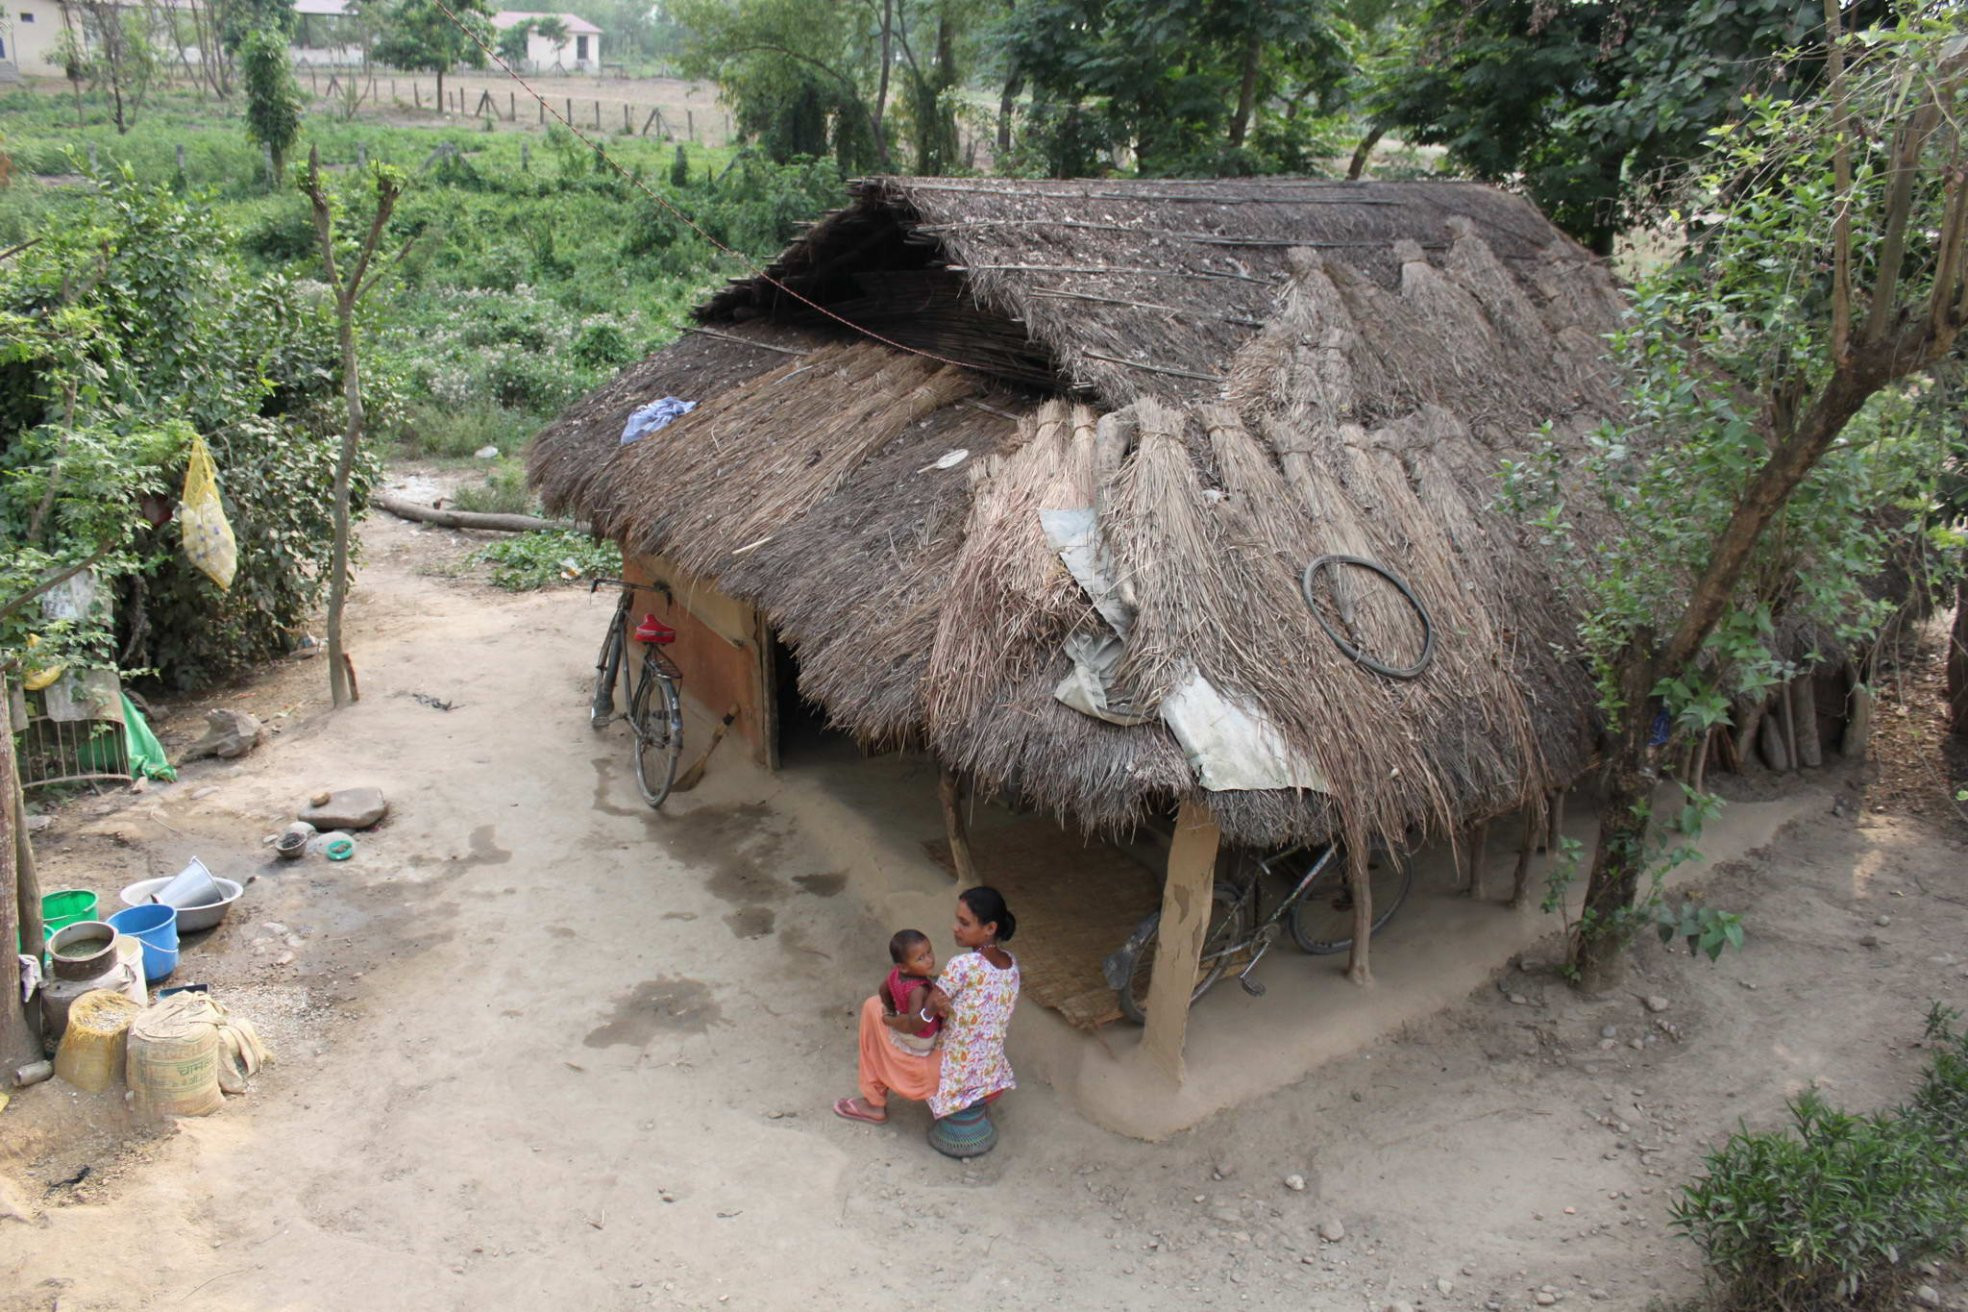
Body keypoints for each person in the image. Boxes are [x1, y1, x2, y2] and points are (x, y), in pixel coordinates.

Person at [834, 887, 1021, 1126]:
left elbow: (919, 1020)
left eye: (964, 923)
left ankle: (873, 1103)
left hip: (947, 1077)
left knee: (873, 1007)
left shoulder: (962, 965)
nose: (955, 927)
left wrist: (889, 1019)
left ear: (990, 929)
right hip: (990, 1076)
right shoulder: (1011, 965)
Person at [880, 929, 942, 1057]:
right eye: (921, 958)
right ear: (903, 967)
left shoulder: (895, 973)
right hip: (921, 1038)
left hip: (903, 1019)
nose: (930, 960)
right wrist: (932, 1010)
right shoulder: (918, 989)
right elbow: (914, 1024)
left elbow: (883, 989)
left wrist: (891, 1009)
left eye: (929, 951)